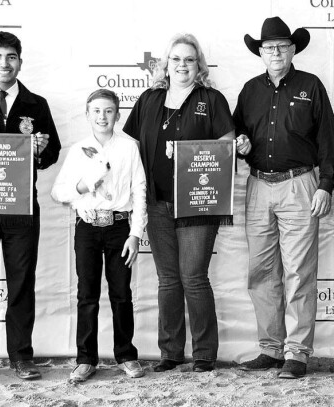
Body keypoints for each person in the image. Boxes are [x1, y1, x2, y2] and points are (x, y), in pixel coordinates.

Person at [234, 16, 334, 379]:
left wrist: (326, 184)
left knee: (298, 271)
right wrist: (240, 145)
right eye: (268, 47)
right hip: (258, 184)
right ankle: (270, 348)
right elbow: (237, 136)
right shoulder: (249, 90)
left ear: (294, 49)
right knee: (262, 271)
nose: (275, 51)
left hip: (299, 185)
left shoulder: (311, 85)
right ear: (260, 53)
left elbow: (329, 140)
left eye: (282, 45)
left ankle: (297, 352)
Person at [123, 33, 234, 373]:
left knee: (194, 277)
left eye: (189, 59)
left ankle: (204, 352)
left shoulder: (211, 99)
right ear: (165, 65)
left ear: (199, 65)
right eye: (176, 59)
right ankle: (170, 351)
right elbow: (128, 146)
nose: (182, 65)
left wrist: (190, 155)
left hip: (198, 203)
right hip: (156, 202)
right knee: (168, 279)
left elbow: (226, 145)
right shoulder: (149, 99)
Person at [0, 31, 61, 381]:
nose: (4, 64)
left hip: (21, 210)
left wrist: (40, 149)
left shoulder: (36, 105)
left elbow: (51, 153)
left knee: (21, 282)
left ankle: (21, 355)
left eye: (10, 57)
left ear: (20, 61)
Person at [51, 89, 146, 382]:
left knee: (121, 293)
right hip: (88, 228)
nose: (102, 117)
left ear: (117, 115)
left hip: (119, 226)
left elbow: (139, 192)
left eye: (108, 111)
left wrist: (135, 234)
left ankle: (126, 355)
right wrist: (82, 191)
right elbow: (59, 191)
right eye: (96, 111)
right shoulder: (78, 149)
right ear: (87, 114)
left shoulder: (130, 147)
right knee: (87, 294)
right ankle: (85, 359)